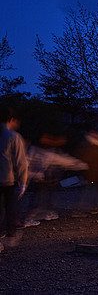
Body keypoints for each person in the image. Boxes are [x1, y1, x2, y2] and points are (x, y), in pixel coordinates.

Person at [0, 107, 28, 249]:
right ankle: (10, 236)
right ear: (11, 120)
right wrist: (22, 182)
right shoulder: (13, 136)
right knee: (9, 207)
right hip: (6, 179)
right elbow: (20, 161)